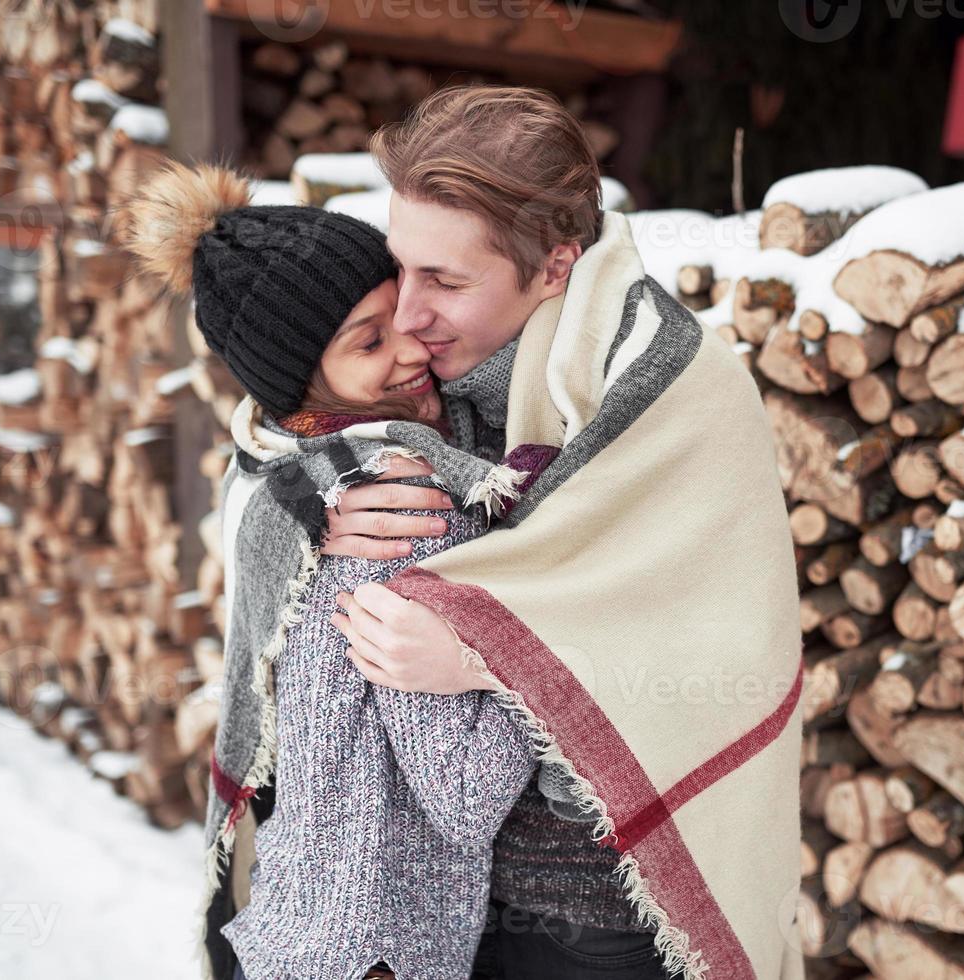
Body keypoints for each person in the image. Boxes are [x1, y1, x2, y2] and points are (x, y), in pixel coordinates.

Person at [325, 86, 807, 980]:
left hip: (608, 916)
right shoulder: (422, 375)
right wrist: (322, 508)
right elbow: (277, 436)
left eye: (446, 282)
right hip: (438, 901)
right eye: (405, 269)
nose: (405, 315)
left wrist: (485, 660)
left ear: (555, 266)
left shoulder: (669, 388)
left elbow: (718, 659)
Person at [124, 161, 578, 980]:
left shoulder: (310, 480)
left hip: (306, 937)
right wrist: (546, 633)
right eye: (368, 342)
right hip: (374, 958)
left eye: (399, 309)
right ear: (302, 388)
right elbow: (467, 793)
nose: (411, 346)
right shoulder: (399, 510)